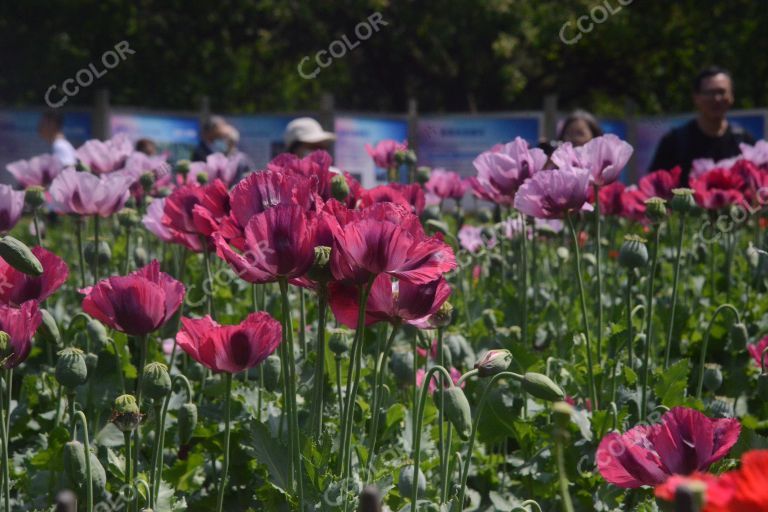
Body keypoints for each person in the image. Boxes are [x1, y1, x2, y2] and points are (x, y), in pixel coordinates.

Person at [649, 66, 754, 184]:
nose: (717, 98)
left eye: (722, 92)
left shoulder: (744, 142)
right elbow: (655, 185)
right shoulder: (674, 142)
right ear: (696, 97)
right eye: (709, 92)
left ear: (731, 96)